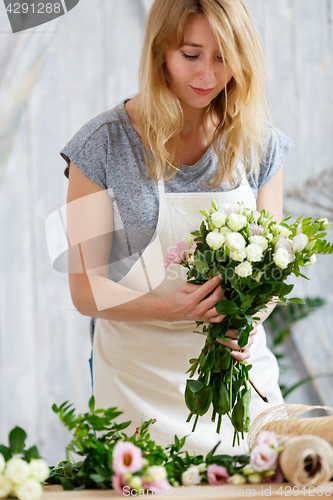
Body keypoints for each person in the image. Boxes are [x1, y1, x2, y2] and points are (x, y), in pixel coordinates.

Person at [61, 0, 293, 455]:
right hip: (136, 388)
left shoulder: (259, 143)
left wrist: (247, 317)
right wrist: (171, 308)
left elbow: (275, 269)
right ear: (160, 52)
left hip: (242, 387)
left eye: (223, 56)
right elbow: (85, 289)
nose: (207, 74)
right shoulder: (101, 147)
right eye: (191, 55)